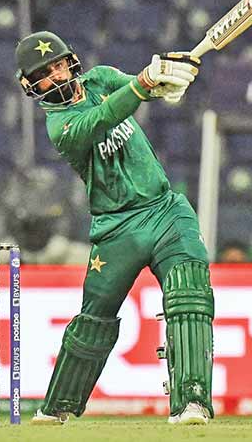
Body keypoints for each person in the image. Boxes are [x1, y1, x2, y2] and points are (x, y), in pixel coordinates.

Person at [14, 31, 215, 425]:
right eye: (44, 73)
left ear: (70, 61)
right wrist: (144, 83)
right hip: (116, 228)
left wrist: (165, 81)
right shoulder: (60, 127)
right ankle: (58, 409)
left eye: (58, 64)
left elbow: (139, 90)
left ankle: (192, 402)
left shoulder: (101, 78)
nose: (56, 75)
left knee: (189, 295)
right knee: (94, 320)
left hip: (165, 210)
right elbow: (106, 116)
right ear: (31, 86)